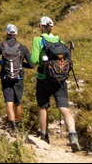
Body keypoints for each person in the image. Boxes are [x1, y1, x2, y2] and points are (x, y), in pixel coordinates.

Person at [29, 15, 79, 151]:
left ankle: (44, 137)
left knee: (43, 107)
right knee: (64, 108)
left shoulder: (37, 40)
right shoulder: (60, 41)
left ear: (40, 26)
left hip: (43, 79)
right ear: (52, 27)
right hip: (60, 80)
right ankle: (73, 134)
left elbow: (33, 60)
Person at [0, 23, 27, 135]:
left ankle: (13, 128)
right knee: (18, 102)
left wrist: (2, 63)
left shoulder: (1, 45)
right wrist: (21, 64)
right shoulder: (22, 47)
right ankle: (19, 125)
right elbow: (31, 64)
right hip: (19, 77)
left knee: (9, 102)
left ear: (6, 33)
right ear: (16, 33)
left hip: (6, 77)